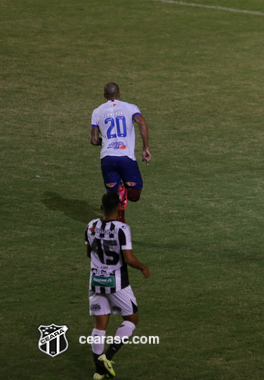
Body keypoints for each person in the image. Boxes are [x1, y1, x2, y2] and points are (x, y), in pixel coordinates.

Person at [86, 192, 151, 380]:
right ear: (120, 209)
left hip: (96, 281)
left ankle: (98, 372)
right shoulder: (122, 228)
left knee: (99, 327)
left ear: (101, 208)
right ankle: (109, 356)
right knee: (132, 319)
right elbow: (129, 259)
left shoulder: (90, 226)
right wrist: (143, 267)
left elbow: (88, 253)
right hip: (117, 283)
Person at [90, 82, 151, 222]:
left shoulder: (97, 111)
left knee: (114, 200)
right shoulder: (130, 108)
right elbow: (141, 122)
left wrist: (106, 142)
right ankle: (122, 194)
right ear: (119, 94)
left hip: (107, 158)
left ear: (104, 95)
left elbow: (93, 140)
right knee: (135, 194)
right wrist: (145, 147)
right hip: (125, 157)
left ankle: (119, 198)